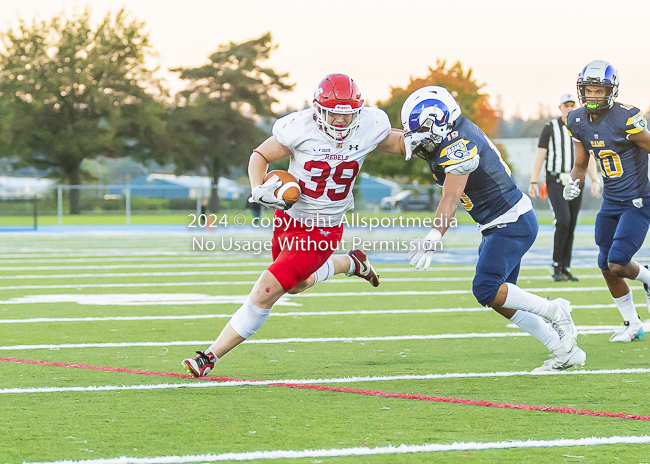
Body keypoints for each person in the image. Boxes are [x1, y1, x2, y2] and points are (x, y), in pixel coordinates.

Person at [182, 73, 405, 376]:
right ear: (318, 109)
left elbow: (401, 144)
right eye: (333, 114)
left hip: (324, 228)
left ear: (358, 111)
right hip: (288, 217)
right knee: (296, 285)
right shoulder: (300, 128)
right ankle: (350, 263)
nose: (340, 122)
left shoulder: (369, 126)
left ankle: (209, 356)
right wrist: (257, 187)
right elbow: (260, 155)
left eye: (347, 115)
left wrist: (430, 142)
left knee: (266, 290)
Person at [402, 86, 585, 372]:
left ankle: (555, 310)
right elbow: (396, 141)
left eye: (424, 130)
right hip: (498, 223)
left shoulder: (458, 146)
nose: (420, 140)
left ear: (440, 121)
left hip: (511, 221)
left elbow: (450, 197)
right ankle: (563, 350)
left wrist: (434, 235)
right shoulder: (446, 134)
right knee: (499, 297)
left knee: (486, 288)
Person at [563, 60, 650, 342]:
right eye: (589, 90)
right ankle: (632, 323)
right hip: (611, 202)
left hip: (638, 200)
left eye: (599, 91)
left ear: (610, 91)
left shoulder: (626, 117)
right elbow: (580, 164)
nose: (593, 96)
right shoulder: (576, 120)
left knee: (618, 263)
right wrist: (573, 182)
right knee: (604, 263)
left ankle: (647, 279)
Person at [529, 93, 601, 282]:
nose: (569, 108)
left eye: (572, 104)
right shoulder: (550, 128)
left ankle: (565, 266)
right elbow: (540, 155)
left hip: (576, 181)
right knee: (563, 220)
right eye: (566, 105)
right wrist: (533, 181)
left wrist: (595, 180)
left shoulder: (582, 127)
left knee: (571, 223)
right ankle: (556, 264)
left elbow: (589, 156)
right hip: (556, 181)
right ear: (560, 108)